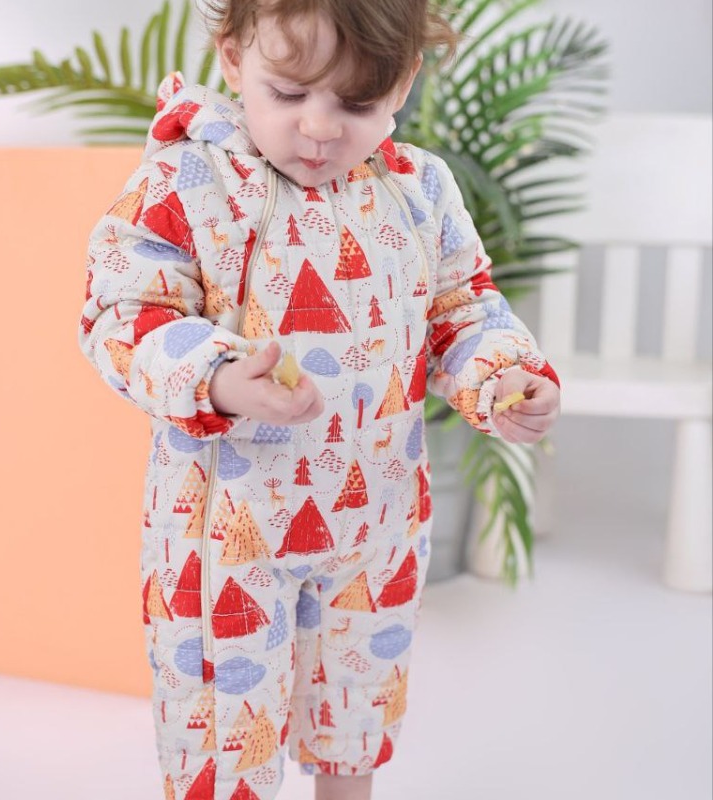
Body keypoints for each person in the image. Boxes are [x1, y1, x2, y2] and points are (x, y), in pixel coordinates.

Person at [78, 1, 561, 798]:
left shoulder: (420, 190)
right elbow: (124, 314)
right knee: (225, 735)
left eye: (357, 102)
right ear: (233, 57)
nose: (319, 127)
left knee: (355, 714)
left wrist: (501, 377)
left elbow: (462, 310)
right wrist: (219, 377)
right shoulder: (188, 182)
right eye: (290, 92)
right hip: (226, 535)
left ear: (402, 84)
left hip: (376, 521)